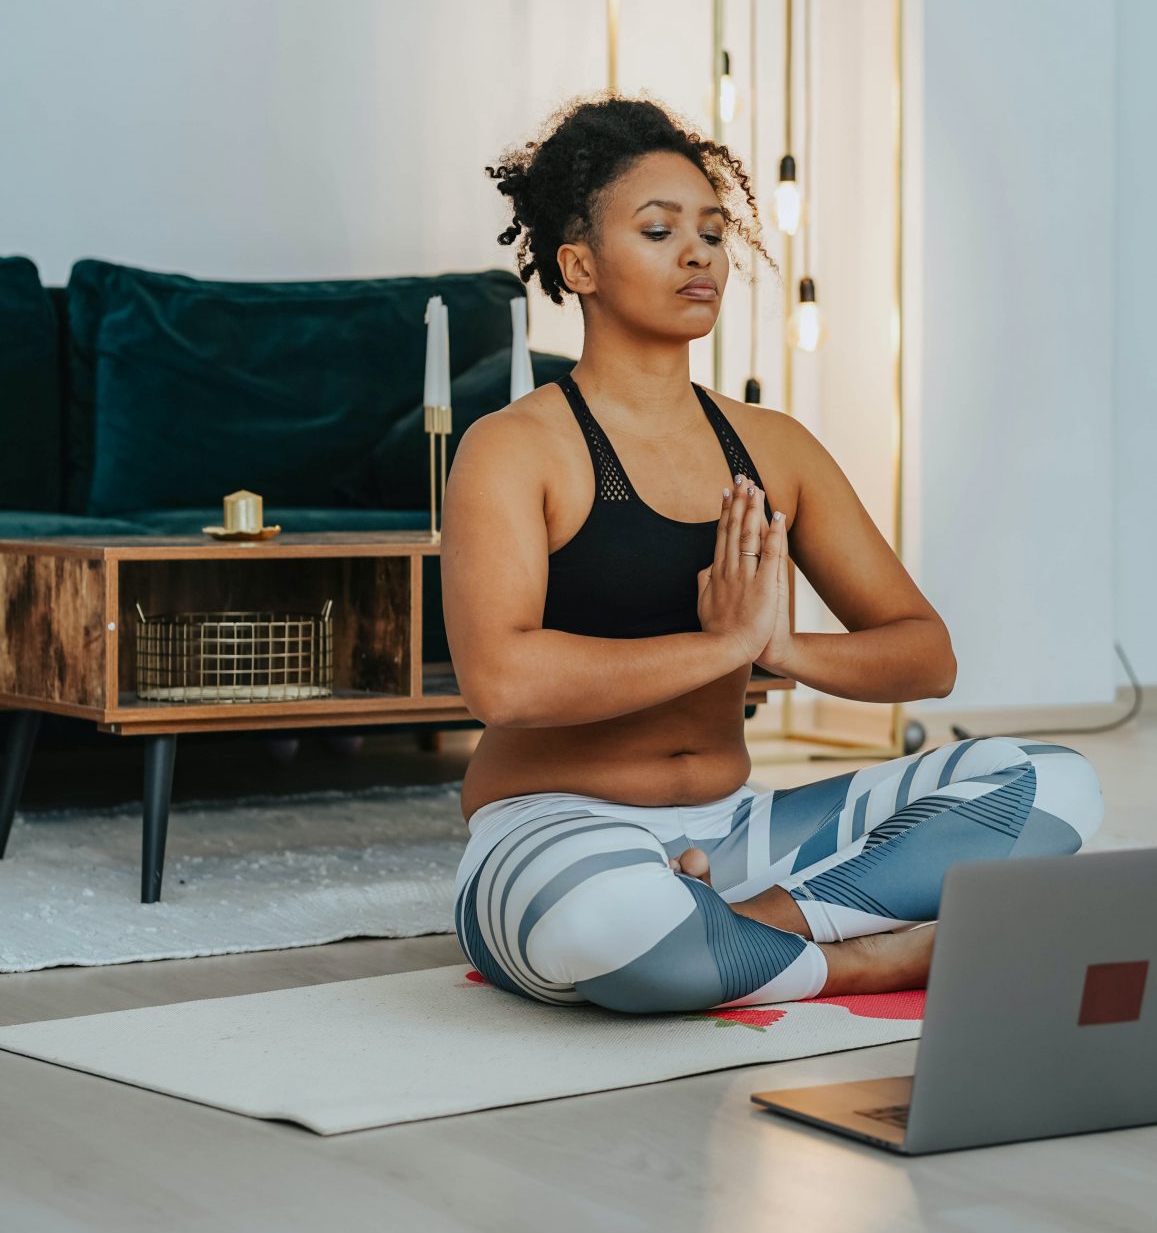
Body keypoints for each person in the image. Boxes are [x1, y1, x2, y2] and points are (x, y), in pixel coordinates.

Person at [441, 95, 1103, 1014]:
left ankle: (754, 920)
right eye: (659, 229)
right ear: (579, 263)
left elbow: (926, 654)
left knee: (1055, 786)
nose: (700, 253)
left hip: (737, 828)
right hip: (555, 827)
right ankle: (865, 960)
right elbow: (501, 682)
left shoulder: (773, 445)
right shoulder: (514, 448)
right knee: (606, 923)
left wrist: (778, 649)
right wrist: (720, 647)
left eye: (713, 230)